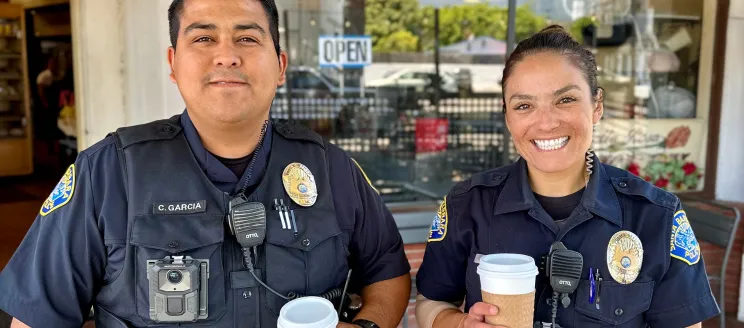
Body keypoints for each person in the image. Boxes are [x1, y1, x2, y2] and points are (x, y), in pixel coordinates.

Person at [0, 0, 411, 327]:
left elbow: (387, 271)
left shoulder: (330, 167)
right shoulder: (107, 173)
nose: (227, 56)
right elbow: (37, 317)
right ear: (173, 63)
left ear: (280, 65)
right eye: (203, 39)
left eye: (248, 39)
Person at [414, 26, 719, 328]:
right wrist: (460, 324)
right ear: (507, 115)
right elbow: (432, 303)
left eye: (565, 100)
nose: (546, 122)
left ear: (597, 105)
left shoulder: (655, 215)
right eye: (524, 105)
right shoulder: (468, 205)